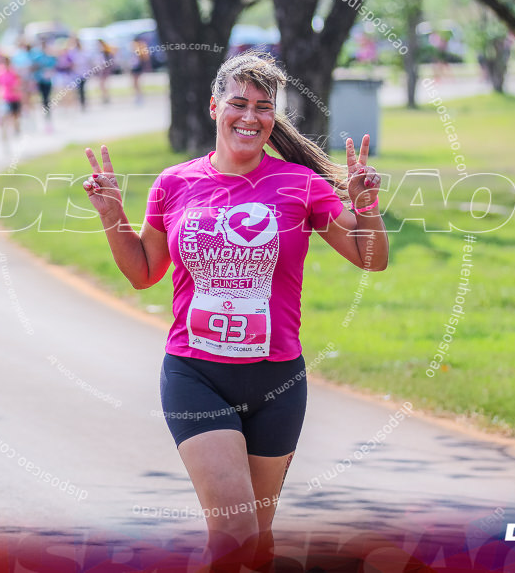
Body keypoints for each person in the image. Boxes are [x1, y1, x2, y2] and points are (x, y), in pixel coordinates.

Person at [83, 51, 388, 569]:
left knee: (258, 539)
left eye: (263, 107)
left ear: (274, 117)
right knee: (234, 531)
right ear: (213, 107)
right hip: (196, 374)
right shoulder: (174, 183)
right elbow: (142, 273)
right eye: (238, 103)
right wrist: (113, 216)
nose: (250, 117)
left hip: (278, 382)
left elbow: (370, 258)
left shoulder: (303, 185)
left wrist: (366, 208)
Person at [0, 55, 22, 150]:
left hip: (15, 98)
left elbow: (19, 83)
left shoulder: (14, 71)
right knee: (4, 121)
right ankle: (5, 141)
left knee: (15, 119)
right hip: (4, 99)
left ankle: (16, 134)